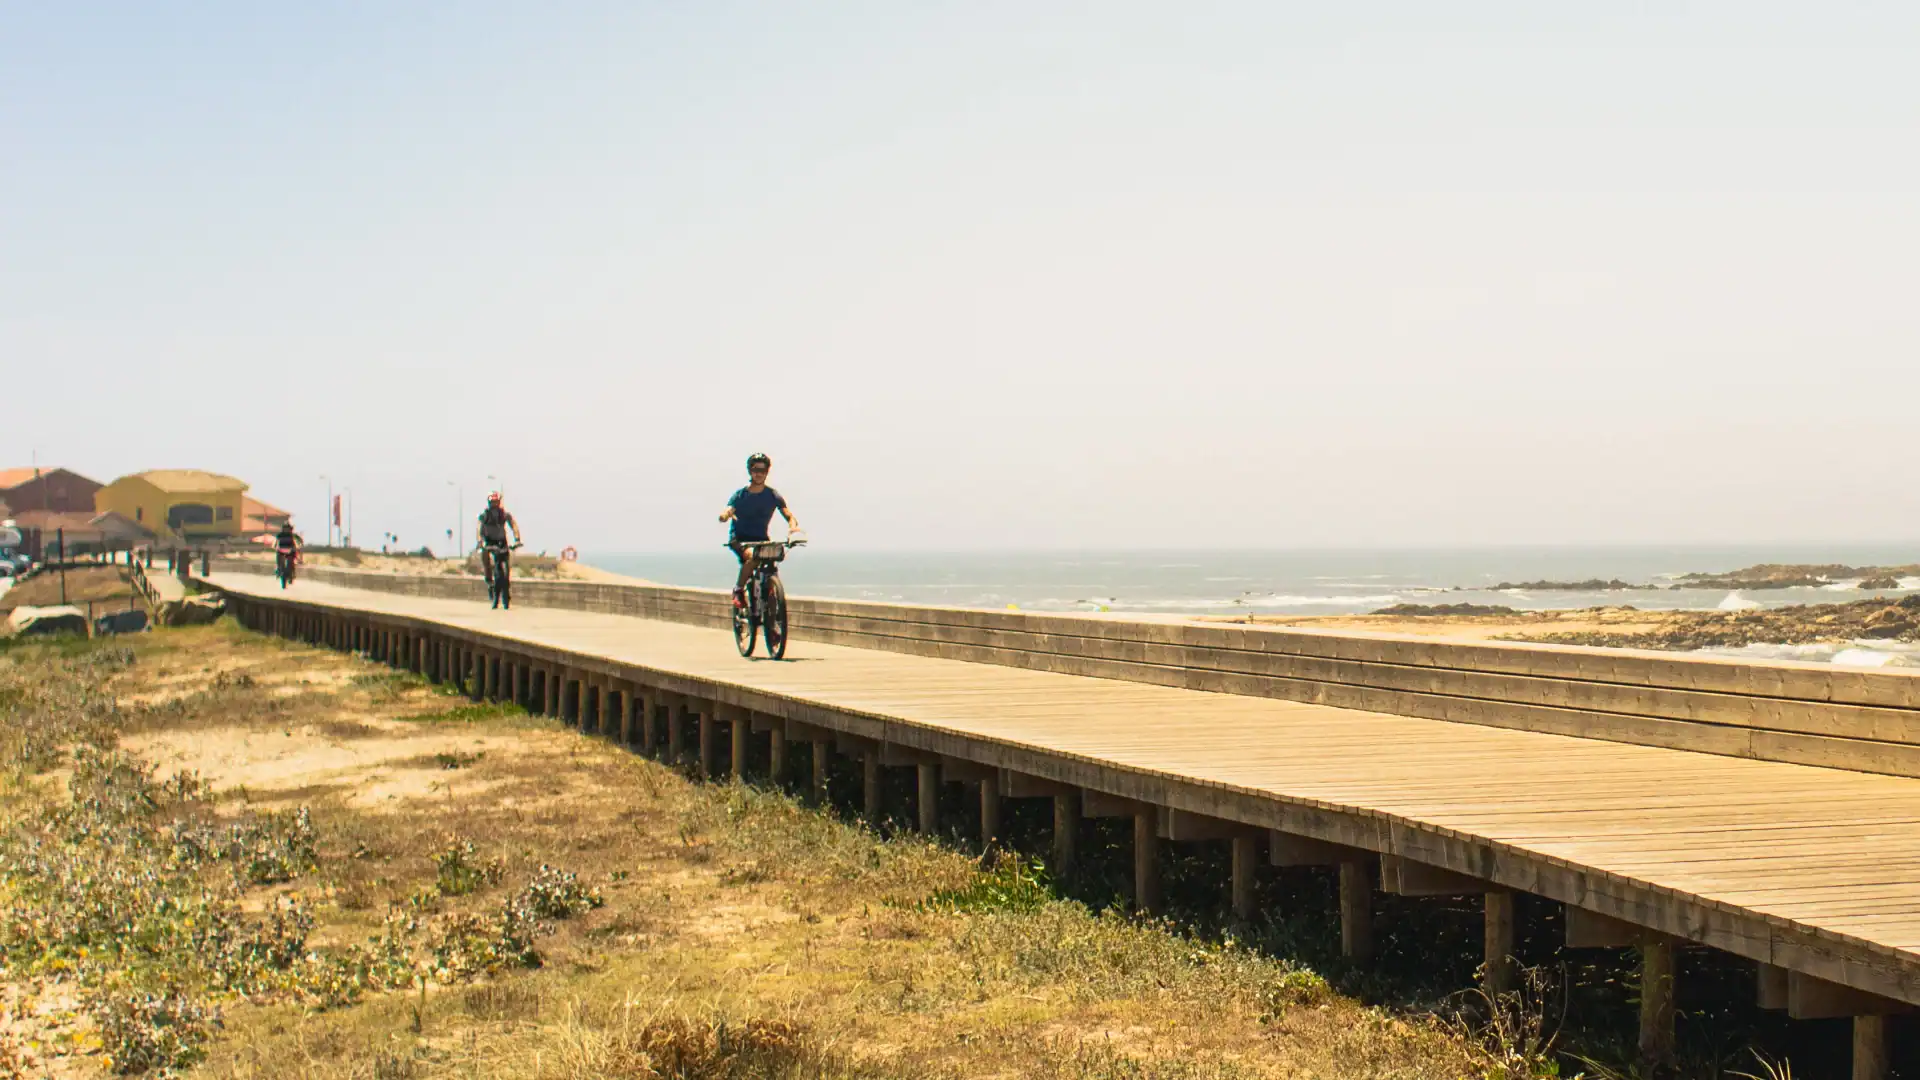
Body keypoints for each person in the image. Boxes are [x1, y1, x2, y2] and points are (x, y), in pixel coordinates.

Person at [718, 453, 799, 606]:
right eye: (755, 470)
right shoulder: (740, 495)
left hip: (761, 539)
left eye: (762, 470)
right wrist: (725, 515)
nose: (759, 474)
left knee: (771, 560)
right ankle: (739, 589)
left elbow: (788, 515)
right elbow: (728, 510)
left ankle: (769, 601)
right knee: (752, 558)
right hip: (740, 539)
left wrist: (793, 527)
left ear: (767, 472)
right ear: (750, 471)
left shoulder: (773, 495)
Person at [474, 492, 522, 587]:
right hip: (489, 542)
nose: (494, 505)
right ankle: (489, 579)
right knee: (485, 556)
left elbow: (513, 525)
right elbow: (479, 529)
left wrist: (517, 539)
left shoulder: (504, 514)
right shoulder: (484, 516)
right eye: (492, 503)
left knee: (507, 559)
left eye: (496, 502)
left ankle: (506, 580)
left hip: (501, 542)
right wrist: (480, 541)